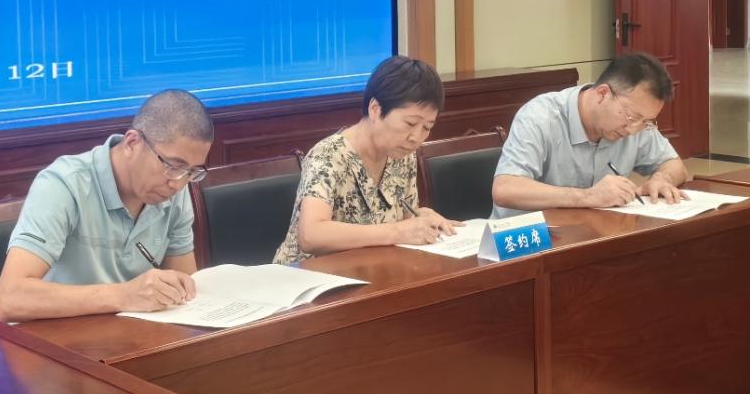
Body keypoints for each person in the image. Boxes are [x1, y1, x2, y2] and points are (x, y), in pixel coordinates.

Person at [0, 89, 214, 321]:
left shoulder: (174, 190)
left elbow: (184, 295)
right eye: (173, 166)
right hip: (50, 335)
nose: (178, 184)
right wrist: (125, 295)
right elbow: (10, 299)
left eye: (192, 172)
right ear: (132, 143)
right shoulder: (64, 185)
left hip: (128, 335)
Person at [274, 55, 454, 266]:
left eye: (427, 127)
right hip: (307, 277)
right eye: (410, 123)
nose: (416, 137)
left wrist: (421, 218)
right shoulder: (329, 155)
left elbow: (403, 221)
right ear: (375, 109)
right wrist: (396, 231)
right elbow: (311, 235)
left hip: (371, 270)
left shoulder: (402, 154)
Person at [493, 57, 690, 217]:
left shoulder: (636, 123)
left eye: (646, 122)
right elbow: (506, 189)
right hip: (528, 242)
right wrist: (588, 196)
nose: (633, 130)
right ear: (602, 94)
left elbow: (674, 165)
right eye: (632, 117)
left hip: (589, 238)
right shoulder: (540, 117)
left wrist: (661, 179)